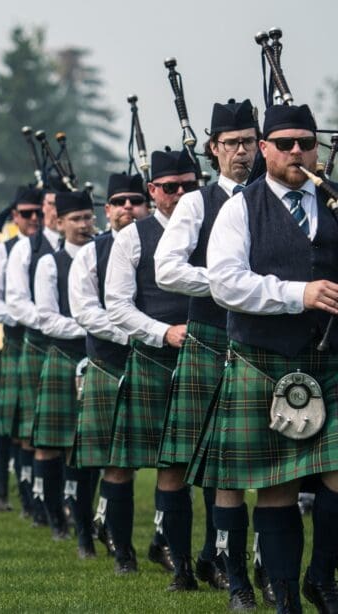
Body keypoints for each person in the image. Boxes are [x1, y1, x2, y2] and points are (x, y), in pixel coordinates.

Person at [190, 103, 338, 613]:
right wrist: (300, 293)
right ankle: (283, 597)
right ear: (266, 149)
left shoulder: (333, 201)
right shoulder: (240, 208)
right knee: (276, 487)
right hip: (263, 360)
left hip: (330, 359)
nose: (298, 151)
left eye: (306, 141)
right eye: (286, 143)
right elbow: (227, 283)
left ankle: (320, 577)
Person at [154, 99, 265, 608]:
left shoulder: (272, 198)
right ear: (213, 149)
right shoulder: (198, 203)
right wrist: (228, 285)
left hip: (260, 344)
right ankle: (182, 564)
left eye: (248, 141)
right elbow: (168, 270)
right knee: (183, 463)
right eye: (231, 143)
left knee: (244, 465)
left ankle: (224, 561)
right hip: (208, 339)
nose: (241, 152)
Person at [104, 149, 197, 583]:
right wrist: (163, 332)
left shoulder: (215, 225)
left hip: (205, 357)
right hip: (153, 357)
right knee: (123, 463)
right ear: (153, 191)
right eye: (170, 187)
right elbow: (117, 306)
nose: (180, 195)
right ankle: (121, 547)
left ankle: (183, 563)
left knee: (183, 466)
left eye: (188, 186)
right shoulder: (133, 236)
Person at [68, 173, 149, 558]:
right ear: (108, 210)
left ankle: (164, 544)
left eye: (135, 200)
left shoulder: (163, 246)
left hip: (154, 365)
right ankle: (114, 546)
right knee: (112, 463)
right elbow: (85, 311)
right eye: (119, 201)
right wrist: (135, 334)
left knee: (169, 464)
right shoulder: (91, 252)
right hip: (108, 363)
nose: (128, 207)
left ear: (147, 204)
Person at [31, 191, 96, 544]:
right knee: (52, 444)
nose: (84, 224)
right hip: (64, 355)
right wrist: (92, 326)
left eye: (88, 217)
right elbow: (46, 319)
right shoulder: (49, 263)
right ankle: (55, 515)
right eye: (76, 219)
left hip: (98, 357)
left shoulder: (103, 255)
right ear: (60, 223)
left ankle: (85, 523)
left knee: (87, 445)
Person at [0, 187, 44, 513]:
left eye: (39, 212)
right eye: (27, 213)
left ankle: (37, 496)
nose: (34, 218)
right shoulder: (1, 253)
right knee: (13, 426)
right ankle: (9, 493)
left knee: (38, 427)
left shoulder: (54, 247)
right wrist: (20, 315)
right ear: (15, 216)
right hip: (18, 342)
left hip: (53, 343)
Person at [5, 187, 61, 525]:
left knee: (72, 435)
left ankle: (67, 502)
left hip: (76, 345)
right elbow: (15, 302)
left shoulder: (85, 246)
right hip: (40, 343)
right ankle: (39, 502)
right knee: (35, 432)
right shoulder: (24, 248)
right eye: (50, 205)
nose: (52, 212)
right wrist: (54, 322)